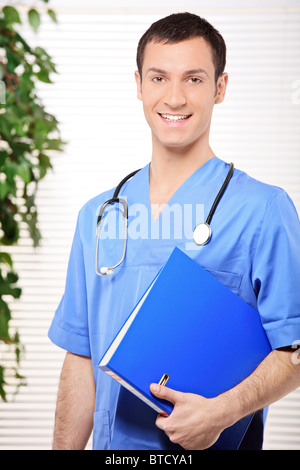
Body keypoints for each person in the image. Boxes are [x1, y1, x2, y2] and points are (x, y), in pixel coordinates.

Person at [48, 12, 300, 450]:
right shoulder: (99, 216)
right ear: (139, 85)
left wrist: (221, 411)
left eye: (195, 79)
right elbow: (80, 357)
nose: (175, 97)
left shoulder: (263, 210)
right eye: (159, 77)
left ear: (220, 88)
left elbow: (294, 351)